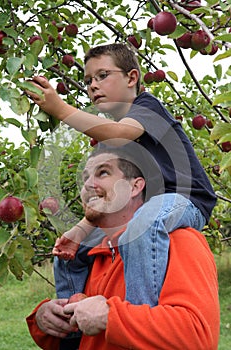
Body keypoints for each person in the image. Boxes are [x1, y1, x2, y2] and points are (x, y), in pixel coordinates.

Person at [27, 43, 217, 307]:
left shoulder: (147, 108)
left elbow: (119, 132)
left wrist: (60, 109)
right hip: (144, 208)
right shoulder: (108, 141)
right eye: (88, 80)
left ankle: (138, 317)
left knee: (143, 225)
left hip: (187, 202)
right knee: (71, 251)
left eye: (102, 75)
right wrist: (81, 230)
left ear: (131, 78)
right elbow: (109, 194)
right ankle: (70, 321)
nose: (93, 85)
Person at [26, 148, 220, 350]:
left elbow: (197, 338)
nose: (88, 185)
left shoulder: (179, 241)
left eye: (103, 173)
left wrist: (110, 317)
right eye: (85, 178)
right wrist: (43, 320)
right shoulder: (90, 256)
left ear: (135, 186)